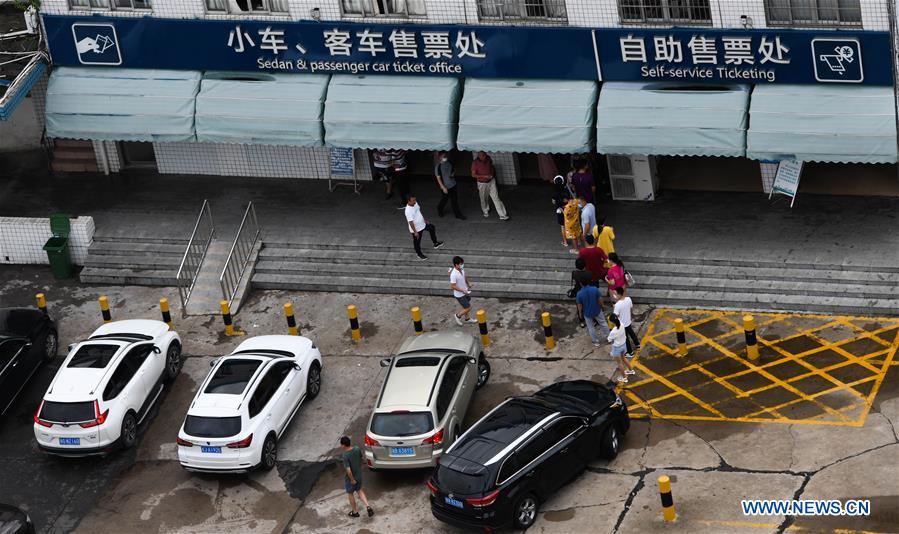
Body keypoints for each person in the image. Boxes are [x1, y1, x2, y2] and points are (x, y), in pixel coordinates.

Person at [340, 436, 374, 518]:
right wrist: (359, 468)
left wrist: (352, 480)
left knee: (350, 494)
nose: (340, 446)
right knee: (359, 490)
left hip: (351, 479)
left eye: (341, 444)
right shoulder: (356, 449)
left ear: (344, 445)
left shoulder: (345, 456)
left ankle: (355, 512)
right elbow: (361, 459)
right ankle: (368, 506)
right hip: (359, 475)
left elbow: (348, 470)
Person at [471, 151, 509, 221]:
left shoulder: (488, 158)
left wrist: (491, 174)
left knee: (496, 198)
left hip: (491, 181)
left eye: (485, 154)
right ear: (479, 156)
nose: (485, 156)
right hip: (482, 183)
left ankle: (503, 215)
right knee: (484, 198)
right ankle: (485, 210)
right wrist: (484, 176)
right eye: (483, 155)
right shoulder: (475, 163)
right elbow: (473, 175)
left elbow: (491, 167)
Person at [404, 195, 443, 260]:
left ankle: (435, 243)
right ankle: (419, 254)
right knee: (417, 242)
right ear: (408, 201)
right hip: (416, 229)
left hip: (422, 224)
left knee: (432, 227)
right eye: (413, 200)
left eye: (415, 200)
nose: (415, 201)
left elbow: (418, 212)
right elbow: (410, 222)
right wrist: (415, 232)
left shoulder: (415, 203)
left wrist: (424, 220)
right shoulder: (408, 211)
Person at [576, 282, 609, 347]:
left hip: (587, 313)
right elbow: (600, 299)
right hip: (597, 310)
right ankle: (609, 338)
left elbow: (579, 306)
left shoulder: (579, 293)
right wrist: (602, 306)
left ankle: (596, 342)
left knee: (591, 327)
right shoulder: (595, 289)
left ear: (580, 283)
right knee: (603, 323)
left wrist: (580, 314)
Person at [435, 151, 465, 219]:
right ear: (440, 157)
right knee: (444, 199)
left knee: (454, 200)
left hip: (453, 184)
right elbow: (438, 178)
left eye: (445, 156)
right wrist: (443, 187)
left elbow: (453, 170)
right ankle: (440, 208)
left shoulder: (449, 163)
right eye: (444, 156)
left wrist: (453, 174)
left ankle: (458, 214)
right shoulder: (438, 167)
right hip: (445, 187)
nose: (445, 158)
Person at [607, 314, 635, 383]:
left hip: (617, 348)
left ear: (612, 322)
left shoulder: (613, 331)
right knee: (624, 358)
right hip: (623, 345)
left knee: (620, 363)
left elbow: (609, 340)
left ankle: (624, 377)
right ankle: (631, 370)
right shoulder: (622, 324)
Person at [450, 256, 477, 325]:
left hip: (465, 291)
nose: (462, 265)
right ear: (456, 265)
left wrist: (468, 284)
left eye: (462, 263)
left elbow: (464, 277)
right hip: (459, 295)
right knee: (468, 307)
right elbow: (452, 286)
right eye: (460, 264)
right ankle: (457, 316)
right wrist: (462, 290)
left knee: (465, 306)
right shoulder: (453, 274)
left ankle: (467, 318)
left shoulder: (461, 269)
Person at [613, 286, 641, 355]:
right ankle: (637, 344)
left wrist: (614, 308)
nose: (614, 296)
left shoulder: (617, 305)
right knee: (631, 333)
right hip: (628, 321)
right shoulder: (628, 299)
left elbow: (615, 316)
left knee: (625, 339)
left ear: (619, 294)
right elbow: (631, 308)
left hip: (622, 324)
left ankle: (630, 352)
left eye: (615, 294)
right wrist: (630, 316)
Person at [570, 257, 593, 328]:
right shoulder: (589, 274)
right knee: (589, 305)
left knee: (579, 308)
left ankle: (581, 321)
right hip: (587, 292)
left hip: (578, 293)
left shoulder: (574, 273)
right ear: (585, 265)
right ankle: (591, 319)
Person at [553, 175, 574, 246]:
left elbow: (554, 201)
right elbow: (570, 199)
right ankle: (576, 239)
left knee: (563, 226)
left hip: (560, 210)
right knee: (572, 223)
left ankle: (565, 242)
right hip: (568, 209)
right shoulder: (566, 190)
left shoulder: (555, 192)